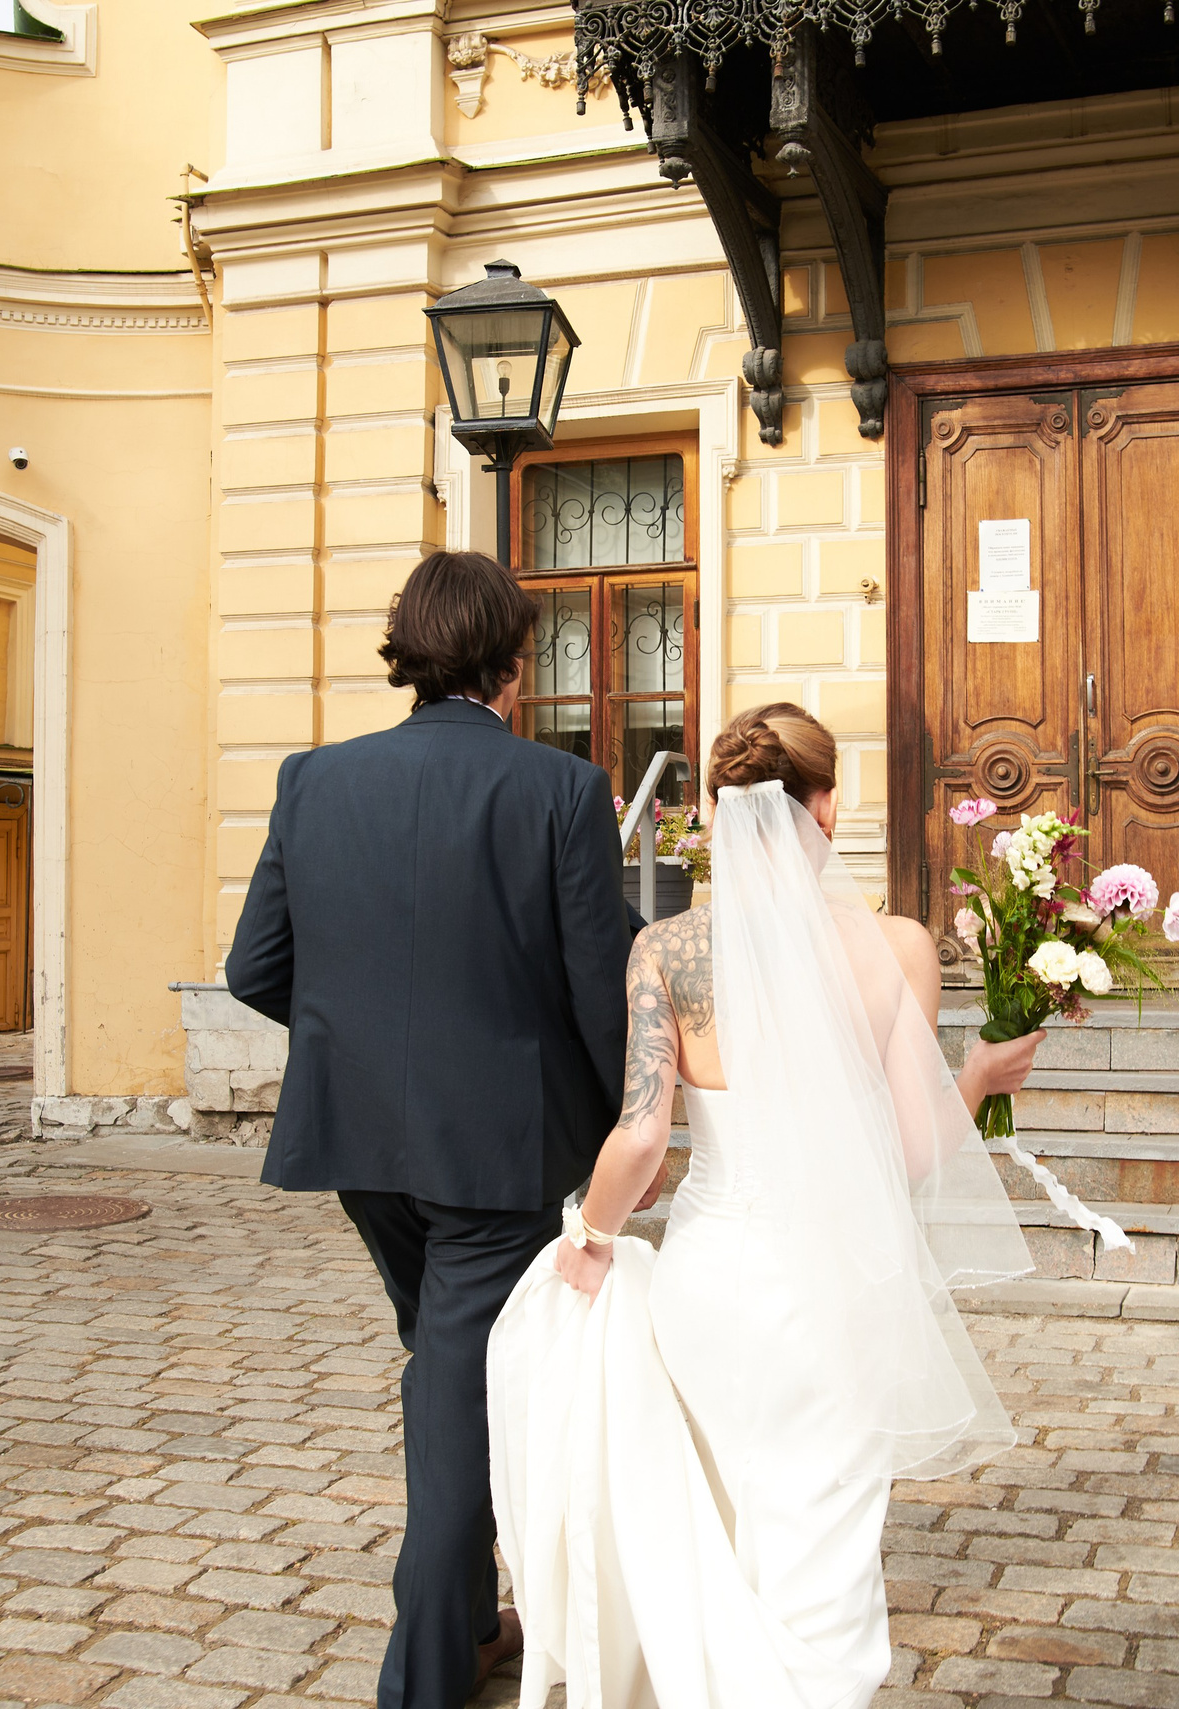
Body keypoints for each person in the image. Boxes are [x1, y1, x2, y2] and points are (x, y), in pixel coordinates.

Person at [487, 703, 1060, 1709]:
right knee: (823, 1540)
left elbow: (642, 1138)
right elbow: (913, 1152)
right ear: (826, 807)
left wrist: (590, 1236)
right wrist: (971, 1075)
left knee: (726, 1514)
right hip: (832, 1287)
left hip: (710, 1285)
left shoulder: (664, 949)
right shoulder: (897, 946)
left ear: (715, 812)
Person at [225, 549, 640, 1709]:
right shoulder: (558, 789)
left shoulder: (314, 777)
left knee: (451, 1363)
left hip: (362, 1144)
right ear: (515, 667)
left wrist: (350, 1039)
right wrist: (628, 1126)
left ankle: (466, 1616)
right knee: (457, 1387)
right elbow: (597, 983)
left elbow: (252, 965)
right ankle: (421, 1676)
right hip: (497, 1154)